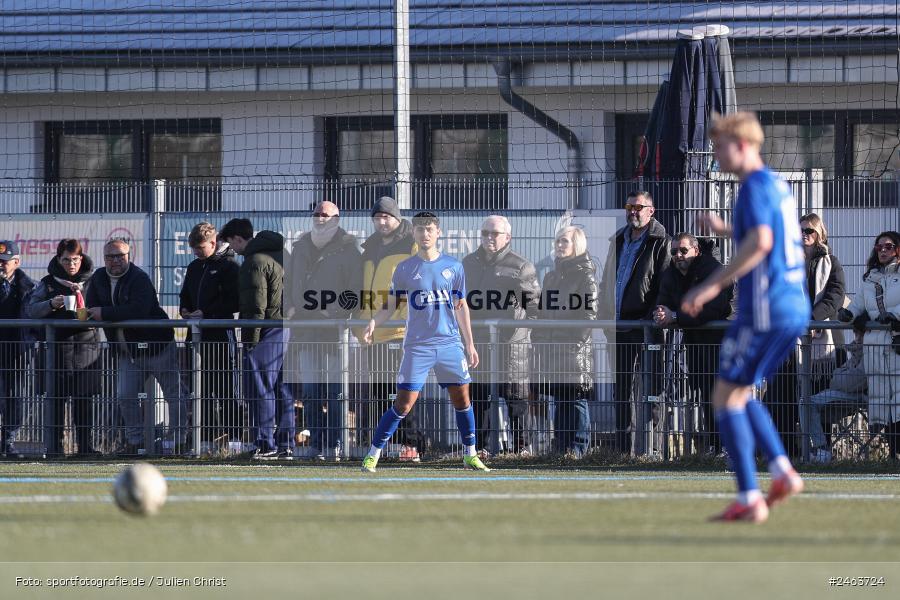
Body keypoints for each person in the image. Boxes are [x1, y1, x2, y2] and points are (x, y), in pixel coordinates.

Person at [682, 111, 809, 523]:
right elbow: (765, 233)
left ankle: (750, 496)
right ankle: (781, 472)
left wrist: (711, 285)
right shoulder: (776, 183)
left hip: (765, 308)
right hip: (792, 306)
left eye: (719, 147)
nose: (716, 157)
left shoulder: (753, 184)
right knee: (739, 391)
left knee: (724, 395)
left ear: (741, 145)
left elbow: (762, 241)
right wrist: (724, 229)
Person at [360, 211, 487, 473]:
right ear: (414, 234)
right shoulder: (405, 268)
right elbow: (391, 303)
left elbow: (461, 306)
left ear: (438, 233)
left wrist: (470, 344)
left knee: (463, 400)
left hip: (450, 345)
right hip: (418, 346)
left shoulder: (454, 266)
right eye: (419, 229)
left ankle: (470, 454)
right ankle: (372, 454)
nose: (424, 233)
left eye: (429, 229)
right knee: (403, 403)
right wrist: (374, 321)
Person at [85, 238, 187, 455]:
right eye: (111, 257)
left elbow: (138, 310)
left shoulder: (139, 278)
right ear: (104, 259)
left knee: (173, 394)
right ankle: (136, 443)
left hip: (157, 346)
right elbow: (93, 307)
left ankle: (178, 440)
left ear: (129, 256)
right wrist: (94, 314)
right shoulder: (99, 278)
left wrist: (105, 314)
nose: (116, 261)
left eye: (120, 255)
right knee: (125, 396)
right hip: (127, 352)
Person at [285, 201, 362, 461]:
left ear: (337, 219)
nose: (320, 218)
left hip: (334, 332)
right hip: (305, 331)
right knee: (310, 392)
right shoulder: (300, 247)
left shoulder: (350, 250)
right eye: (317, 214)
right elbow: (289, 282)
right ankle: (316, 445)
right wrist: (291, 307)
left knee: (335, 391)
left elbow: (356, 289)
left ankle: (336, 445)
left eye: (326, 215)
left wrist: (336, 313)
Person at [599, 190, 670, 455]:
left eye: (638, 207)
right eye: (629, 206)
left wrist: (649, 319)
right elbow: (608, 280)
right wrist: (604, 316)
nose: (633, 211)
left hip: (646, 329)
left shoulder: (661, 241)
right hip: (617, 329)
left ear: (651, 210)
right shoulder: (618, 240)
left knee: (652, 392)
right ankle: (622, 452)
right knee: (622, 394)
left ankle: (653, 451)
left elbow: (663, 285)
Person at [770, 213, 846, 458]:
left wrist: (811, 320)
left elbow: (834, 296)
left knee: (817, 397)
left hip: (823, 343)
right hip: (789, 341)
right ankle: (785, 451)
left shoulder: (831, 263)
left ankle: (820, 449)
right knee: (779, 397)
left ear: (820, 234)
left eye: (809, 231)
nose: (803, 235)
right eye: (799, 230)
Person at [463, 215, 540, 456]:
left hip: (511, 345)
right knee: (479, 398)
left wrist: (521, 332)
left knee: (515, 399)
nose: (488, 238)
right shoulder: (468, 263)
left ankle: (521, 448)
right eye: (485, 232)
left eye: (494, 233)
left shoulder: (521, 266)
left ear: (508, 237)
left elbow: (534, 307)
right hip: (479, 343)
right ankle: (481, 449)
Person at [357, 197, 426, 461]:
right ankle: (388, 445)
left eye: (387, 217)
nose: (382, 222)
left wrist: (407, 320)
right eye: (377, 218)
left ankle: (412, 445)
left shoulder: (412, 245)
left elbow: (417, 285)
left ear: (397, 218)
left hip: (401, 332)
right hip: (374, 334)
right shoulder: (369, 248)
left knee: (404, 393)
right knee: (380, 393)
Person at [220, 218, 295, 459]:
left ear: (238, 239)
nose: (233, 250)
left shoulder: (254, 261)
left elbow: (255, 306)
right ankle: (285, 444)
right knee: (282, 388)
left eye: (232, 244)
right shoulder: (281, 253)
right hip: (287, 325)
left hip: (266, 329)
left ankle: (265, 443)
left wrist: (249, 341)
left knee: (260, 386)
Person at [654, 233, 733, 454]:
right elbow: (664, 299)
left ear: (696, 251)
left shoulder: (713, 270)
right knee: (706, 395)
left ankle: (729, 446)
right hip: (696, 344)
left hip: (723, 344)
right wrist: (661, 312)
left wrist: (676, 317)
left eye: (683, 251)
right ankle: (716, 446)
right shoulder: (672, 273)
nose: (678, 255)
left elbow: (712, 309)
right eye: (674, 252)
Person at [25, 239, 102, 456]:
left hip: (86, 349)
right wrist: (51, 304)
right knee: (56, 401)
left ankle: (85, 448)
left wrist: (90, 311)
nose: (71, 264)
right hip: (56, 351)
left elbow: (105, 306)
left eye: (75, 259)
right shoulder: (48, 283)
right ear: (59, 259)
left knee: (84, 401)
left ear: (82, 258)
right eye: (66, 259)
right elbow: (31, 310)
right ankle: (55, 448)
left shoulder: (94, 281)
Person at [532, 226, 598, 457]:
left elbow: (589, 314)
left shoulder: (585, 274)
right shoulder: (551, 276)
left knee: (576, 399)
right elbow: (543, 311)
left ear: (576, 244)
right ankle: (560, 447)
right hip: (552, 348)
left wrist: (573, 345)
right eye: (558, 241)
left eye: (565, 241)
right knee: (560, 398)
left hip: (573, 350)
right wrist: (540, 340)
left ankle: (578, 449)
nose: (559, 245)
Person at [837, 231, 900, 460]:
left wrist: (895, 317)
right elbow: (858, 304)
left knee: (899, 399)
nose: (883, 250)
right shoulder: (870, 278)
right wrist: (848, 314)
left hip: (896, 343)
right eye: (879, 247)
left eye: (889, 246)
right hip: (875, 347)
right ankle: (893, 456)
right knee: (882, 400)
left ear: (897, 250)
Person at [179, 222, 241, 448]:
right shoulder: (194, 267)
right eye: (193, 248)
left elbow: (234, 301)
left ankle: (234, 442)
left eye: (200, 247)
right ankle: (203, 441)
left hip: (221, 338)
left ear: (213, 243)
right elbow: (184, 295)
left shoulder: (229, 267)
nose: (196, 252)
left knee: (226, 391)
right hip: (195, 339)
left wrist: (207, 313)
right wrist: (184, 310)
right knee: (201, 392)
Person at [0, 241, 34, 456]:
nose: (1, 266)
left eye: (4, 262)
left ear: (16, 262)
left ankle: (8, 441)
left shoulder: (30, 286)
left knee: (15, 398)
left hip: (17, 352)